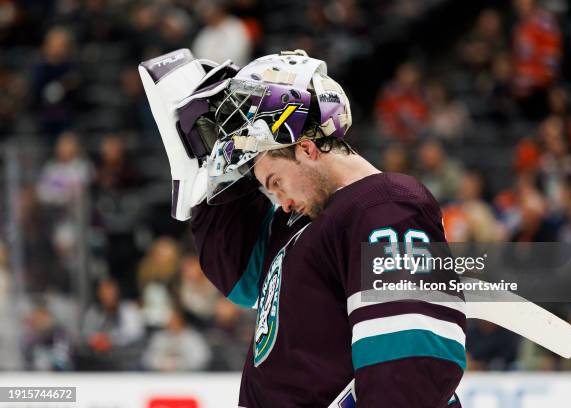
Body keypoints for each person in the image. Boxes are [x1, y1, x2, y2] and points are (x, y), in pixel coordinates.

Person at [141, 49, 465, 407]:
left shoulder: (385, 206)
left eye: (276, 181)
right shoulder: (303, 222)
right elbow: (239, 275)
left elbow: (410, 367)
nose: (280, 200)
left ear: (307, 148)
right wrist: (206, 171)